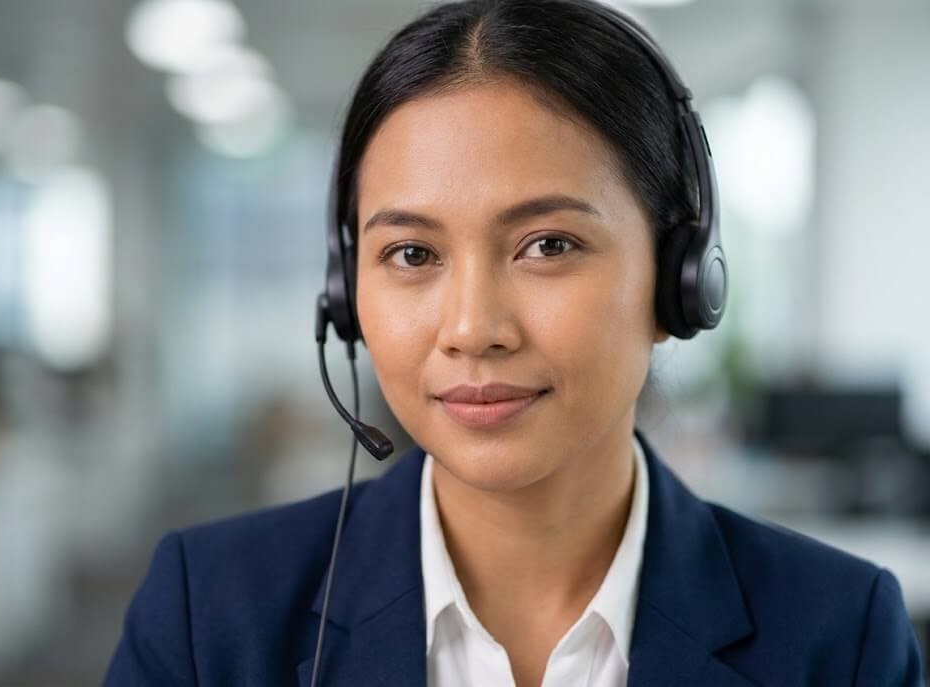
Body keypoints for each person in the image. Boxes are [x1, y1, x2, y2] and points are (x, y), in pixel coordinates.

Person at [103, 1, 926, 685]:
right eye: (413, 255)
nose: (471, 330)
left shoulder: (839, 637)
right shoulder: (207, 618)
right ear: (347, 294)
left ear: (679, 276)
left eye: (548, 245)